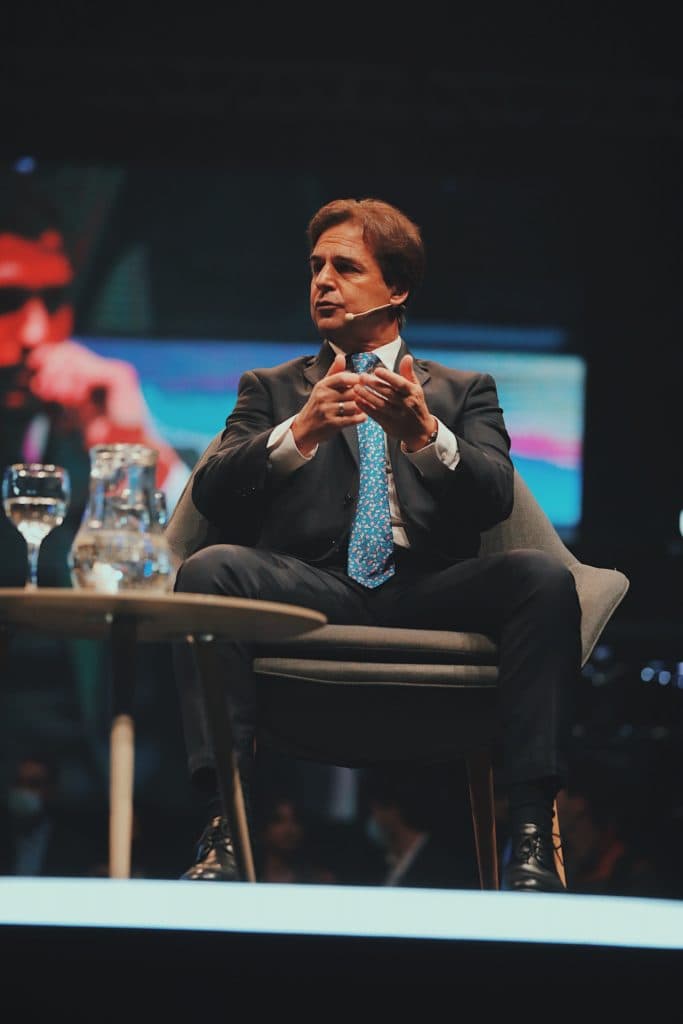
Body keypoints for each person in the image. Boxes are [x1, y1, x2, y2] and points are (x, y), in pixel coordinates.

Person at [172, 196, 582, 892]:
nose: (322, 282)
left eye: (345, 267)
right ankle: (222, 829)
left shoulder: (463, 392)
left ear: (396, 288)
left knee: (542, 579)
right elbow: (211, 494)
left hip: (428, 589)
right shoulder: (273, 388)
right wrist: (299, 431)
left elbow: (493, 496)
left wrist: (426, 436)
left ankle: (533, 837)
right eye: (316, 267)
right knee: (211, 572)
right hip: (311, 587)